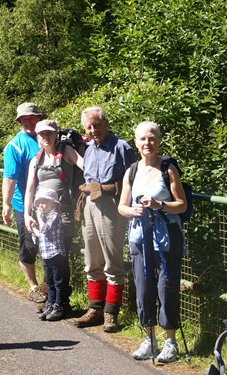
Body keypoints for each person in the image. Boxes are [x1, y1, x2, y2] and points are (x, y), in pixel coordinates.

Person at [117, 121, 188, 363]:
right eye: (143, 139)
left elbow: (182, 204)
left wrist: (160, 205)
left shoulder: (168, 169)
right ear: (136, 142)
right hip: (139, 238)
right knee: (143, 288)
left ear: (159, 140)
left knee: (166, 288)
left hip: (166, 238)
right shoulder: (132, 171)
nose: (148, 143)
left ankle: (170, 342)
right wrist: (132, 210)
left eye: (152, 138)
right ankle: (149, 339)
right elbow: (121, 206)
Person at [74, 106, 137, 333]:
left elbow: (134, 178)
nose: (93, 130)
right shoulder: (89, 148)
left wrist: (113, 190)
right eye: (89, 127)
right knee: (92, 260)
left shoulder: (122, 147)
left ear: (106, 123)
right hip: (90, 205)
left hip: (112, 206)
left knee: (113, 262)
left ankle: (111, 313)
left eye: (96, 125)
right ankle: (96, 309)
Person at [23, 119, 84, 314]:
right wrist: (27, 215)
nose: (46, 137)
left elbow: (86, 167)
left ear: (56, 134)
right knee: (47, 258)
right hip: (42, 216)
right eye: (42, 134)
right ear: (38, 137)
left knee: (60, 258)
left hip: (63, 215)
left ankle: (62, 302)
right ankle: (52, 300)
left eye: (49, 133)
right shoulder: (36, 160)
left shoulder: (66, 152)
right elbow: (30, 189)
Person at [2, 102, 46, 304]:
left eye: (32, 117)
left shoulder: (48, 137)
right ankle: (34, 287)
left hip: (51, 204)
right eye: (25, 118)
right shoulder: (15, 146)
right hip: (25, 206)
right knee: (29, 246)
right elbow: (9, 178)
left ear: (38, 118)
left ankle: (48, 286)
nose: (29, 121)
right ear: (19, 121)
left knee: (52, 246)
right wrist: (6, 204)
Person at [30, 187, 71, 321]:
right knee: (50, 282)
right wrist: (33, 230)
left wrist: (38, 221)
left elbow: (45, 230)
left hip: (56, 254)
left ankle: (59, 305)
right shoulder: (44, 216)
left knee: (58, 282)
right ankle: (51, 304)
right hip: (46, 255)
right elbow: (41, 235)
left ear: (53, 203)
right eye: (39, 202)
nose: (41, 206)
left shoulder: (54, 216)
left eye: (44, 202)